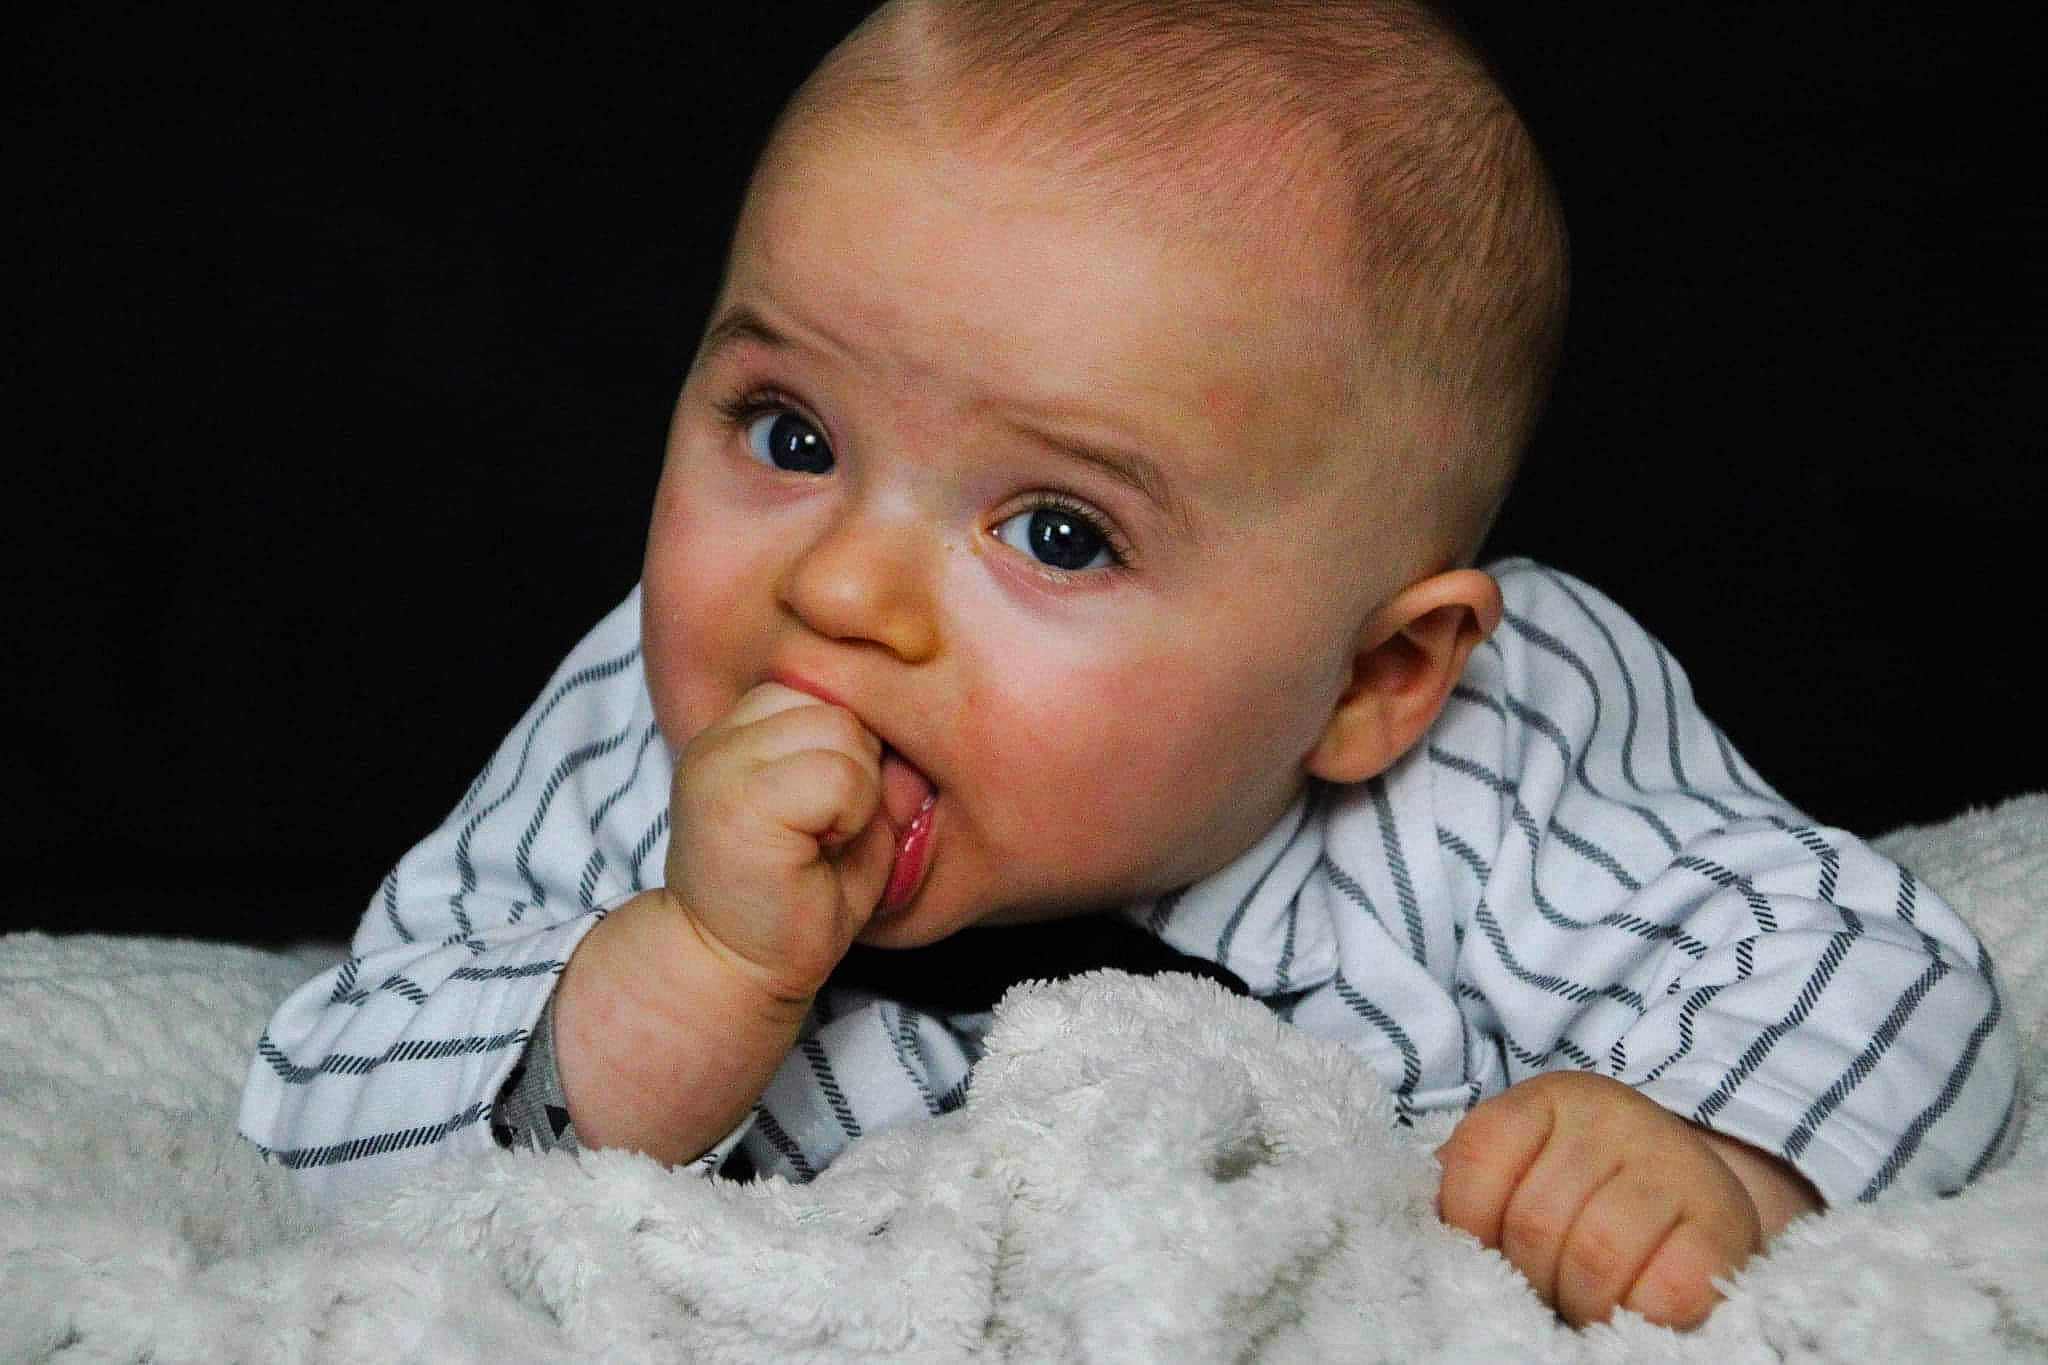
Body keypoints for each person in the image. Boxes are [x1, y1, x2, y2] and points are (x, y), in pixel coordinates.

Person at [239, 0, 2018, 1330]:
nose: (839, 587)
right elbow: (313, 1110)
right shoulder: (645, 727)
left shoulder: (1497, 750)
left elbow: (1861, 957)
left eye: (1059, 531)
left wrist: (1705, 1150)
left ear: (1375, 678)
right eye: (790, 434)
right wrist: (679, 979)